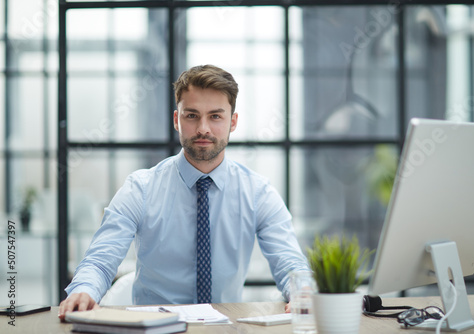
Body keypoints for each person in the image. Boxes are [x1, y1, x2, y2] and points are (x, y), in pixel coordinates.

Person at [58, 64, 309, 319]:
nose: (203, 128)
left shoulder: (258, 193)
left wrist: (302, 291)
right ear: (177, 119)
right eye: (191, 115)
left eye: (215, 116)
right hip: (154, 327)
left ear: (233, 122)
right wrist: (84, 290)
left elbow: (290, 263)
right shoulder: (140, 189)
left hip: (225, 327)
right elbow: (101, 259)